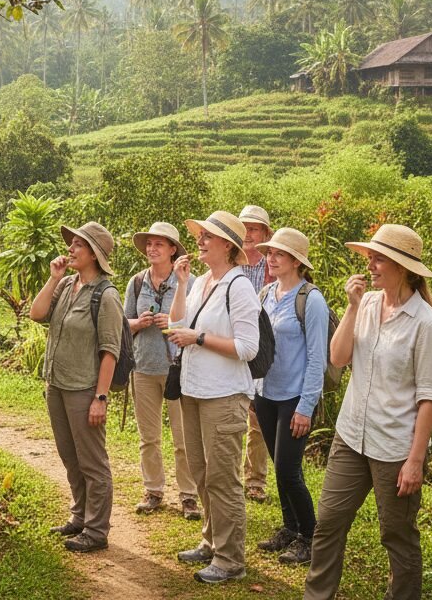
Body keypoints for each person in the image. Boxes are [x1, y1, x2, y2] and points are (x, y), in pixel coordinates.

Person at [303, 224, 432, 600]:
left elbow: (429, 398)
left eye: (378, 259)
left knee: (397, 537)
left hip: (395, 448)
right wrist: (352, 306)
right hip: (351, 435)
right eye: (370, 258)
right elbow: (337, 357)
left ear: (402, 267)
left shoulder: (426, 324)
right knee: (329, 523)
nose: (370, 265)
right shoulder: (366, 304)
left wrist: (415, 461)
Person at [165, 211, 259, 585]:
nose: (201, 240)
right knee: (202, 473)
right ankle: (211, 541)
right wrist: (181, 284)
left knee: (223, 478)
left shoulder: (239, 287)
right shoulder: (202, 281)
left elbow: (248, 348)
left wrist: (199, 338)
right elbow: (175, 326)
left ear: (228, 246)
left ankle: (231, 558)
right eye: (200, 234)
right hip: (193, 389)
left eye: (208, 236)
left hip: (224, 394)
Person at [29, 221, 122, 554]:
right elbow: (36, 313)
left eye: (78, 245)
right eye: (71, 244)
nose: (70, 249)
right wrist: (53, 277)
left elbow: (110, 351)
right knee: (70, 457)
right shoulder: (66, 284)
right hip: (56, 383)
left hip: (84, 389)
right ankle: (80, 516)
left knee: (92, 462)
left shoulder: (107, 295)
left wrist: (100, 397)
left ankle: (97, 530)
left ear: (94, 254)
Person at [253, 227, 329, 566]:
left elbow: (317, 358)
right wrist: (253, 393)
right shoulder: (267, 293)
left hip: (295, 397)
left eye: (279, 254)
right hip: (267, 394)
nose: (271, 258)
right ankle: (289, 526)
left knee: (288, 471)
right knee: (278, 464)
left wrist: (306, 407)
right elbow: (259, 347)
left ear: (297, 262)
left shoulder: (311, 299)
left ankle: (311, 537)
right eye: (270, 252)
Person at [125, 222, 200, 520]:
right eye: (149, 244)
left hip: (177, 369)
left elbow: (197, 327)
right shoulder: (136, 282)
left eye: (159, 244)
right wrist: (138, 323)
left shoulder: (189, 282)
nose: (152, 249)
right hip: (142, 367)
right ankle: (153, 490)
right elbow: (121, 326)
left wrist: (171, 322)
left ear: (173, 250)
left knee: (184, 438)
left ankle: (188, 495)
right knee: (148, 436)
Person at [238, 204, 274, 503]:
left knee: (257, 417)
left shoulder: (271, 267)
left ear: (264, 234)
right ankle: (227, 473)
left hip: (262, 348)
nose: (248, 234)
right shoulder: (230, 264)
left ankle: (255, 479)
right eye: (245, 228)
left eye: (254, 229)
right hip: (231, 345)